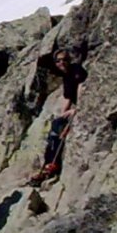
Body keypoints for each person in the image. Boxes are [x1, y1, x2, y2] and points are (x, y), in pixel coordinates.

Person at [31, 47, 88, 184]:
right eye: (58, 61)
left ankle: (52, 165)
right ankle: (49, 164)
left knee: (58, 131)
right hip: (74, 108)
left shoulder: (76, 70)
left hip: (81, 107)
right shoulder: (66, 76)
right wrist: (63, 114)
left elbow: (82, 89)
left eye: (64, 60)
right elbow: (68, 98)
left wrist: (77, 110)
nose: (61, 63)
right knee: (54, 129)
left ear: (69, 61)